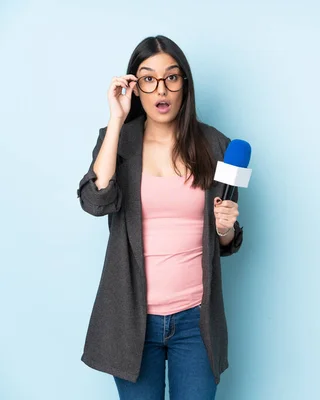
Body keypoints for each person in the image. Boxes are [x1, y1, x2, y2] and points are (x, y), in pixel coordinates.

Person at [77, 35, 244, 400]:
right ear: (135, 87)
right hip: (131, 318)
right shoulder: (117, 141)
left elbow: (226, 241)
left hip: (195, 321)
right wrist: (116, 120)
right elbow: (95, 201)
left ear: (184, 83)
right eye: (148, 79)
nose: (161, 89)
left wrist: (226, 229)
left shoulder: (217, 146)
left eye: (171, 77)